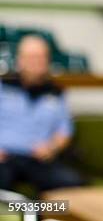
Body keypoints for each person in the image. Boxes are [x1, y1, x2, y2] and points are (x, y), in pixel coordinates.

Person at [0, 35, 85, 193]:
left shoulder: (56, 93)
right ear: (20, 60)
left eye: (41, 57)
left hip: (38, 159)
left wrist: (51, 148)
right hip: (5, 157)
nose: (36, 62)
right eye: (31, 57)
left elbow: (64, 132)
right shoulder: (4, 86)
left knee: (75, 183)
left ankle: (40, 215)